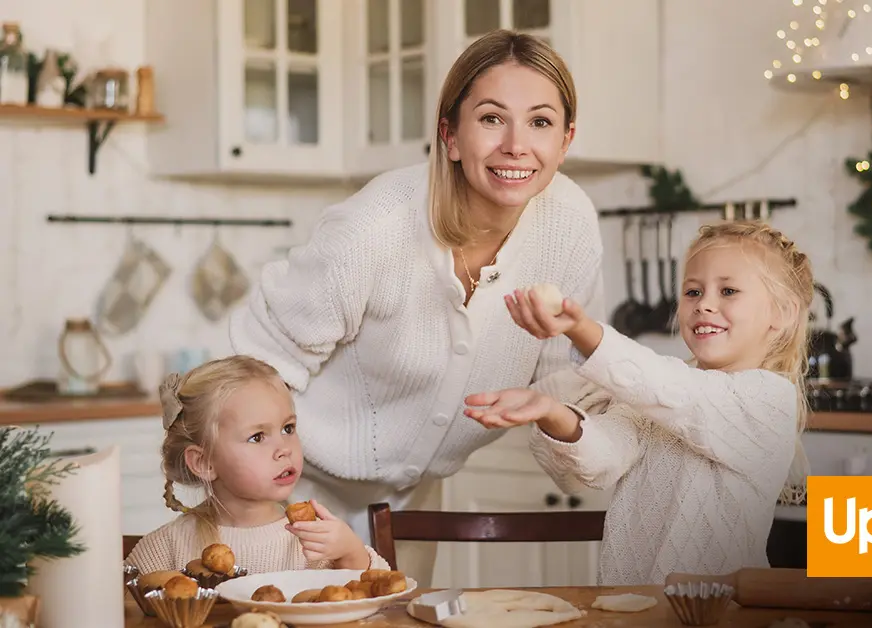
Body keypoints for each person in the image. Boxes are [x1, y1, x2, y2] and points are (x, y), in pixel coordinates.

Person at [227, 29, 604, 585]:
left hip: (415, 504)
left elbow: (561, 390)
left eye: (541, 122)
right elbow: (252, 371)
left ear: (565, 141)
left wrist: (563, 421)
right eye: (492, 118)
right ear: (450, 135)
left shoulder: (569, 227)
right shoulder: (375, 228)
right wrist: (262, 511)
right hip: (290, 490)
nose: (516, 145)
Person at [464, 220, 813, 585]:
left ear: (782, 313)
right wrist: (551, 412)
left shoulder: (769, 399)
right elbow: (600, 462)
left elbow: (676, 391)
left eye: (728, 291)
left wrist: (581, 329)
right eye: (692, 292)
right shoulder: (655, 399)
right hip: (633, 609)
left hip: (720, 615)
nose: (704, 304)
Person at [124, 355, 391, 574]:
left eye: (288, 428)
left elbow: (382, 599)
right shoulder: (168, 546)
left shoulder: (314, 540)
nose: (284, 449)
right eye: (257, 437)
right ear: (204, 462)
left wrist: (351, 553)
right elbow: (118, 608)